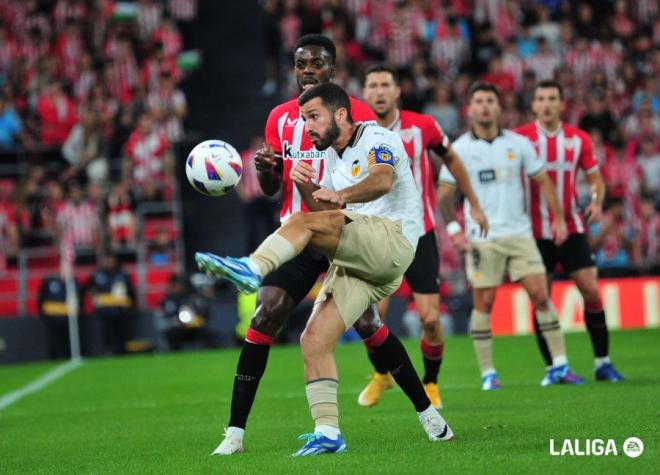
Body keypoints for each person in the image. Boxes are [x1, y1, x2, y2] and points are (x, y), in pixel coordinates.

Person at [204, 34, 445, 456]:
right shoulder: (290, 125)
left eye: (316, 63)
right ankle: (400, 422)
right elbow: (295, 194)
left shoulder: (372, 130)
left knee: (307, 227)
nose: (306, 70)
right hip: (327, 235)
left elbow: (379, 179)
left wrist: (338, 197)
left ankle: (251, 267)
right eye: (300, 64)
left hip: (375, 236)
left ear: (339, 105)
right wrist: (288, 179)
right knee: (312, 335)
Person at [438, 82, 582, 390]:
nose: (485, 106)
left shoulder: (518, 144)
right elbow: (445, 195)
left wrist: (558, 219)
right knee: (484, 303)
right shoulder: (459, 149)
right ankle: (488, 373)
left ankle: (560, 365)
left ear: (499, 107)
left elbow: (544, 182)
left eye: (491, 100)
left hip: (520, 234)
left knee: (542, 296)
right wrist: (454, 231)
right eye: (479, 101)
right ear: (470, 109)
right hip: (482, 238)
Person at [359, 65, 488, 409]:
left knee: (430, 319)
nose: (380, 91)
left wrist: (472, 203)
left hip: (420, 233)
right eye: (373, 85)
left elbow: (453, 160)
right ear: (365, 92)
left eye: (386, 84)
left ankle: (431, 383)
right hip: (376, 234)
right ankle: (381, 375)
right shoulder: (356, 130)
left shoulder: (423, 126)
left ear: (397, 91)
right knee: (368, 318)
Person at [514, 80, 624, 382]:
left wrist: (598, 201)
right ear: (534, 105)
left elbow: (596, 179)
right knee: (541, 298)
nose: (546, 103)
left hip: (572, 226)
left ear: (562, 104)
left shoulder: (579, 139)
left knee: (590, 288)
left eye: (552, 98)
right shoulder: (519, 139)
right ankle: (554, 368)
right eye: (541, 98)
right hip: (534, 231)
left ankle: (603, 362)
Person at [86, 252, 136, 355]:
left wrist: (131, 306)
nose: (108, 262)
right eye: (106, 259)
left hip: (120, 311)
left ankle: (122, 353)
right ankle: (107, 353)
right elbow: (88, 289)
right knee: (106, 336)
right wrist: (92, 293)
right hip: (103, 312)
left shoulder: (122, 274)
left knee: (121, 336)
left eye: (110, 259)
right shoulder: (97, 275)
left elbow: (131, 292)